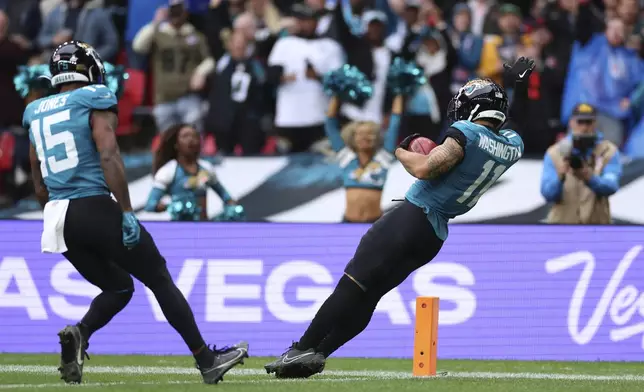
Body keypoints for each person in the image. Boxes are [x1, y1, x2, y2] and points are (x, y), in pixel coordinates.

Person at [264, 57, 535, 378]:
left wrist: (402, 151)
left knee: (353, 284)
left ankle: (299, 348)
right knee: (372, 294)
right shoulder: (512, 145)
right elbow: (513, 124)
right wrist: (517, 86)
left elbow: (423, 168)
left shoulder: (466, 133)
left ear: (474, 107)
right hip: (434, 236)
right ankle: (320, 353)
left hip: (412, 217)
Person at [23, 41, 248, 385]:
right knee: (157, 276)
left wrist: (56, 216)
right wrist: (126, 210)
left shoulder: (35, 110)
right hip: (94, 205)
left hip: (57, 217)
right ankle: (207, 360)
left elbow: (38, 180)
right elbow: (109, 154)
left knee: (118, 286)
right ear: (89, 69)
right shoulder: (93, 96)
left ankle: (80, 332)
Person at [324, 93, 403, 223]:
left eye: (370, 134)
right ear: (353, 138)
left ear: (376, 137)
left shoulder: (383, 158)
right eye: (360, 134)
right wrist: (337, 93)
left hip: (374, 224)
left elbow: (395, 123)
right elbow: (330, 125)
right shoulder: (346, 158)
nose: (365, 137)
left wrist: (399, 92)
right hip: (348, 223)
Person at [540, 103, 622, 224]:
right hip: (562, 227)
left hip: (597, 227)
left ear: (595, 123)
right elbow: (547, 194)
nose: (584, 127)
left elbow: (611, 186)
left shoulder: (608, 151)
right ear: (571, 122)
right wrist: (560, 177)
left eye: (588, 122)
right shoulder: (556, 152)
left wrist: (590, 178)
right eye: (580, 122)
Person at [144, 123, 243, 220]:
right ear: (176, 144)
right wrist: (175, 206)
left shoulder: (206, 168)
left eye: (195, 136)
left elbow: (226, 197)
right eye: (185, 136)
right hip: (180, 230)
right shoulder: (168, 171)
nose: (191, 140)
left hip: (204, 227)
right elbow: (150, 205)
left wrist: (233, 207)